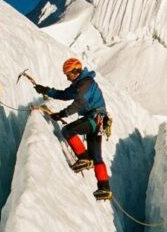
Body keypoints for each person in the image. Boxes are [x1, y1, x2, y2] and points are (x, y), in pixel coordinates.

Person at [34, 58, 112, 200]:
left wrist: (63, 114)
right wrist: (46, 90)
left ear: (76, 72)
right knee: (97, 156)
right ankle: (104, 188)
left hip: (94, 118)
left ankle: (84, 158)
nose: (67, 77)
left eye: (68, 74)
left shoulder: (85, 83)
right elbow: (64, 95)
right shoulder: (79, 84)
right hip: (98, 121)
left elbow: (80, 102)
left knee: (68, 130)